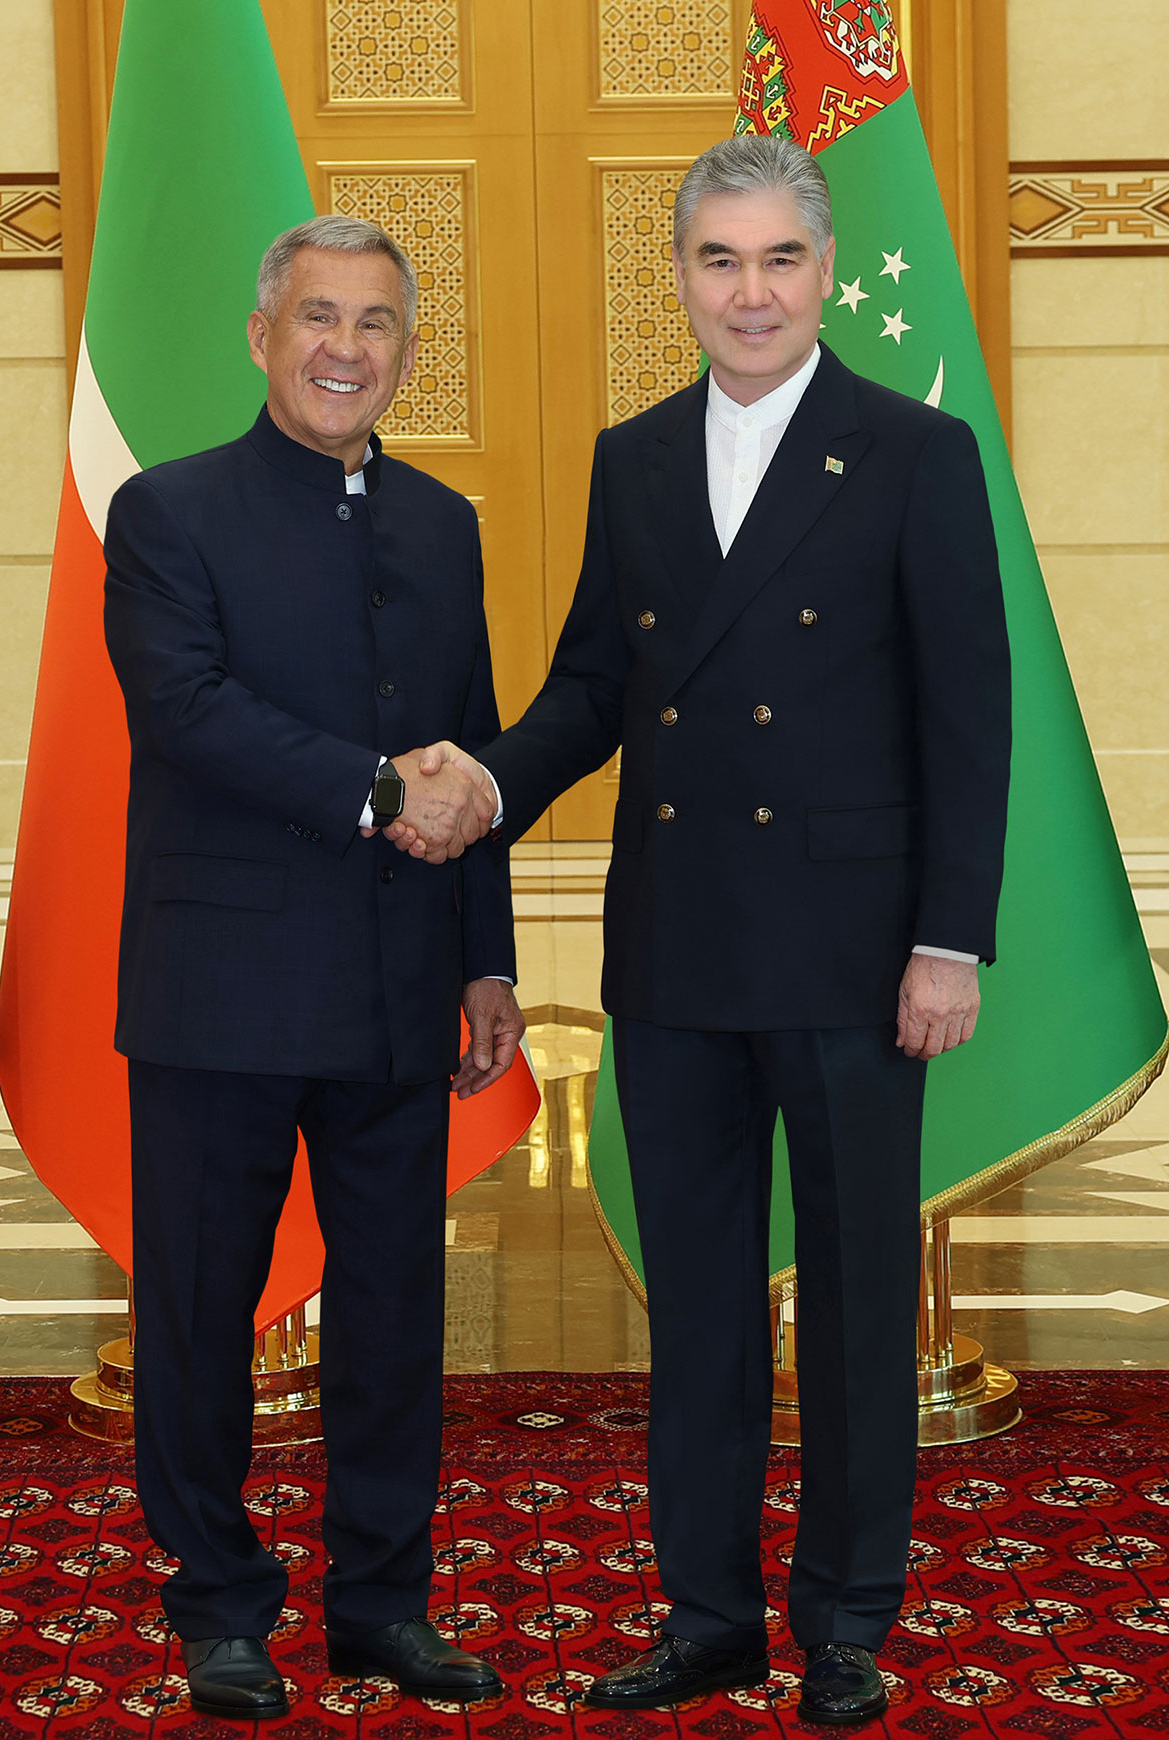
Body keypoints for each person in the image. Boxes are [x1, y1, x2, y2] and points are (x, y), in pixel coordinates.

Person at [389, 137, 1010, 1726]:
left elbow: (970, 715)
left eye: (779, 260)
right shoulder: (638, 456)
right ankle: (711, 1616)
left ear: (821, 270)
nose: (751, 292)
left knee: (861, 1301)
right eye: (718, 261)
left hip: (863, 954)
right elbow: (600, 681)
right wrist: (485, 783)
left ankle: (849, 1621)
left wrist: (954, 938)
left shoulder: (914, 451)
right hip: (677, 954)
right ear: (676, 277)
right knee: (705, 1306)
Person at [103, 215, 525, 1720]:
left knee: (397, 1316)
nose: (348, 348)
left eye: (379, 326)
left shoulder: (441, 523)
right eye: (320, 318)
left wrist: (488, 958)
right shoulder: (166, 512)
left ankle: (381, 1605)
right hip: (219, 997)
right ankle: (217, 1603)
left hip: (402, 991)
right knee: (204, 1314)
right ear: (263, 334)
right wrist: (375, 790)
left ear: (407, 353)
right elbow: (187, 713)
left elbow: (467, 744)